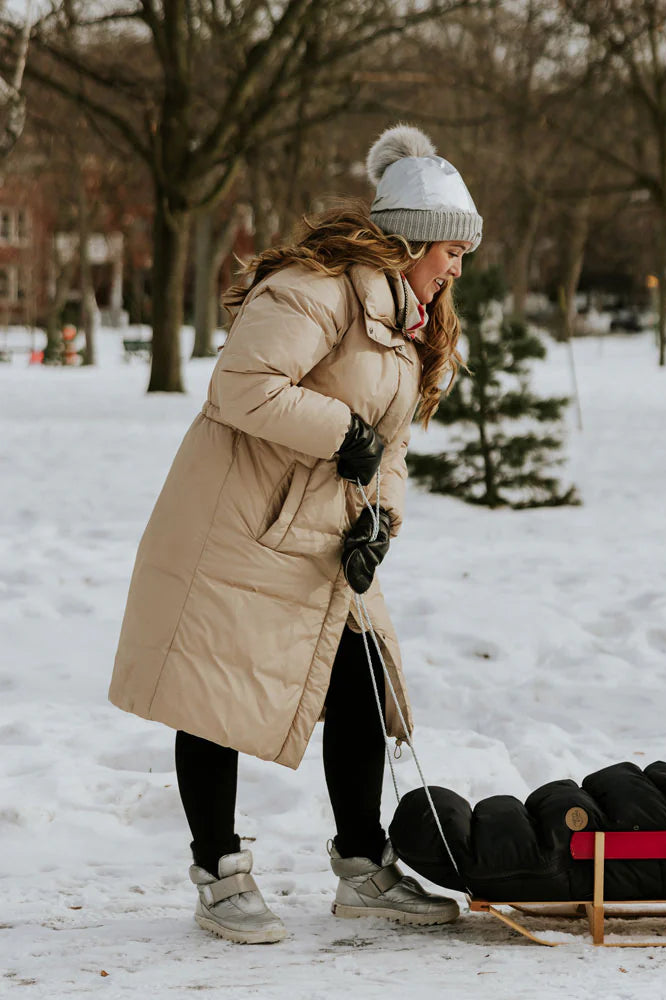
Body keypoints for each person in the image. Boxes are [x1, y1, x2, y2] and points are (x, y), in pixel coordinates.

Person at [108, 125, 482, 944]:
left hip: (320, 532)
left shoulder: (406, 318)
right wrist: (340, 431)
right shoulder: (317, 289)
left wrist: (383, 517)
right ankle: (219, 874)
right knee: (214, 691)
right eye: (451, 249)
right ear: (412, 240)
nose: (457, 267)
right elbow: (241, 386)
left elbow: (392, 444)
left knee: (356, 682)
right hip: (238, 524)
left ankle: (363, 867)